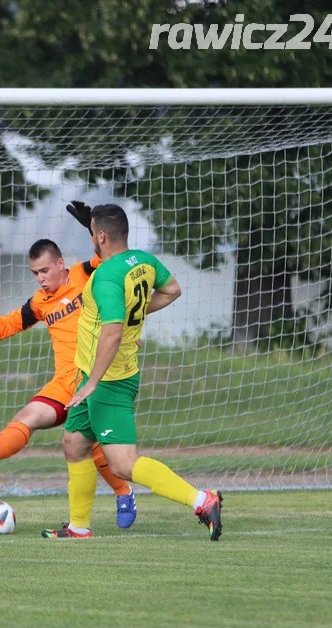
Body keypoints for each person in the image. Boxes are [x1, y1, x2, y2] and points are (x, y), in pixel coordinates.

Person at [0, 202, 138, 535]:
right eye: (35, 274)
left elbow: (114, 258)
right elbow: (2, 329)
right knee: (27, 416)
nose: (41, 279)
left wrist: (92, 228)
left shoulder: (86, 273)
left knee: (100, 448)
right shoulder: (39, 304)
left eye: (45, 270)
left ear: (61, 264)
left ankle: (123, 492)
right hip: (63, 384)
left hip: (97, 376)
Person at [54, 202, 223, 541]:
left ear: (101, 236)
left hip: (108, 381)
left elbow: (113, 331)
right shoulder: (143, 261)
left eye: (92, 233)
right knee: (74, 443)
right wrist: (136, 318)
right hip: (97, 376)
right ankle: (78, 527)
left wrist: (94, 383)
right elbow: (172, 289)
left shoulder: (105, 277)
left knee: (123, 464)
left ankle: (202, 500)